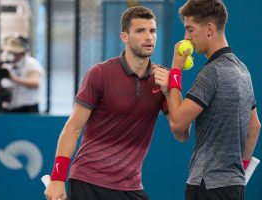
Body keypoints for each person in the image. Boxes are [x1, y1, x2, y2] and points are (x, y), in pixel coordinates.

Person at [44, 6, 179, 200]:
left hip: (131, 186)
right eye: (140, 31)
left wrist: (171, 89)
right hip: (88, 181)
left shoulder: (161, 80)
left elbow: (181, 132)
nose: (149, 37)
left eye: (152, 30)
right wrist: (58, 177)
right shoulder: (99, 74)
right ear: (124, 36)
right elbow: (72, 128)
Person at [166, 0, 261, 199]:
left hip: (205, 185)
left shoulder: (211, 73)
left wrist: (175, 70)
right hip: (235, 185)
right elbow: (254, 127)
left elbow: (177, 123)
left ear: (209, 29)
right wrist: (240, 169)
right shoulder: (244, 71)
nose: (186, 37)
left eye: (190, 29)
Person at [0, 34, 44, 113]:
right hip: (8, 108)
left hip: (28, 109)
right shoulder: (5, 64)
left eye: (16, 52)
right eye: (11, 52)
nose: (13, 54)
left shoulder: (31, 63)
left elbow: (35, 83)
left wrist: (13, 78)